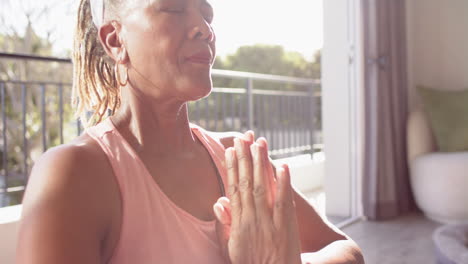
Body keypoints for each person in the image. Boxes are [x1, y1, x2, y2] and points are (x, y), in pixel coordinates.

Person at [16, 0, 364, 263]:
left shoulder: (238, 159)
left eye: (207, 14)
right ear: (115, 39)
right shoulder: (76, 175)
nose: (204, 28)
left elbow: (346, 250)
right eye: (173, 8)